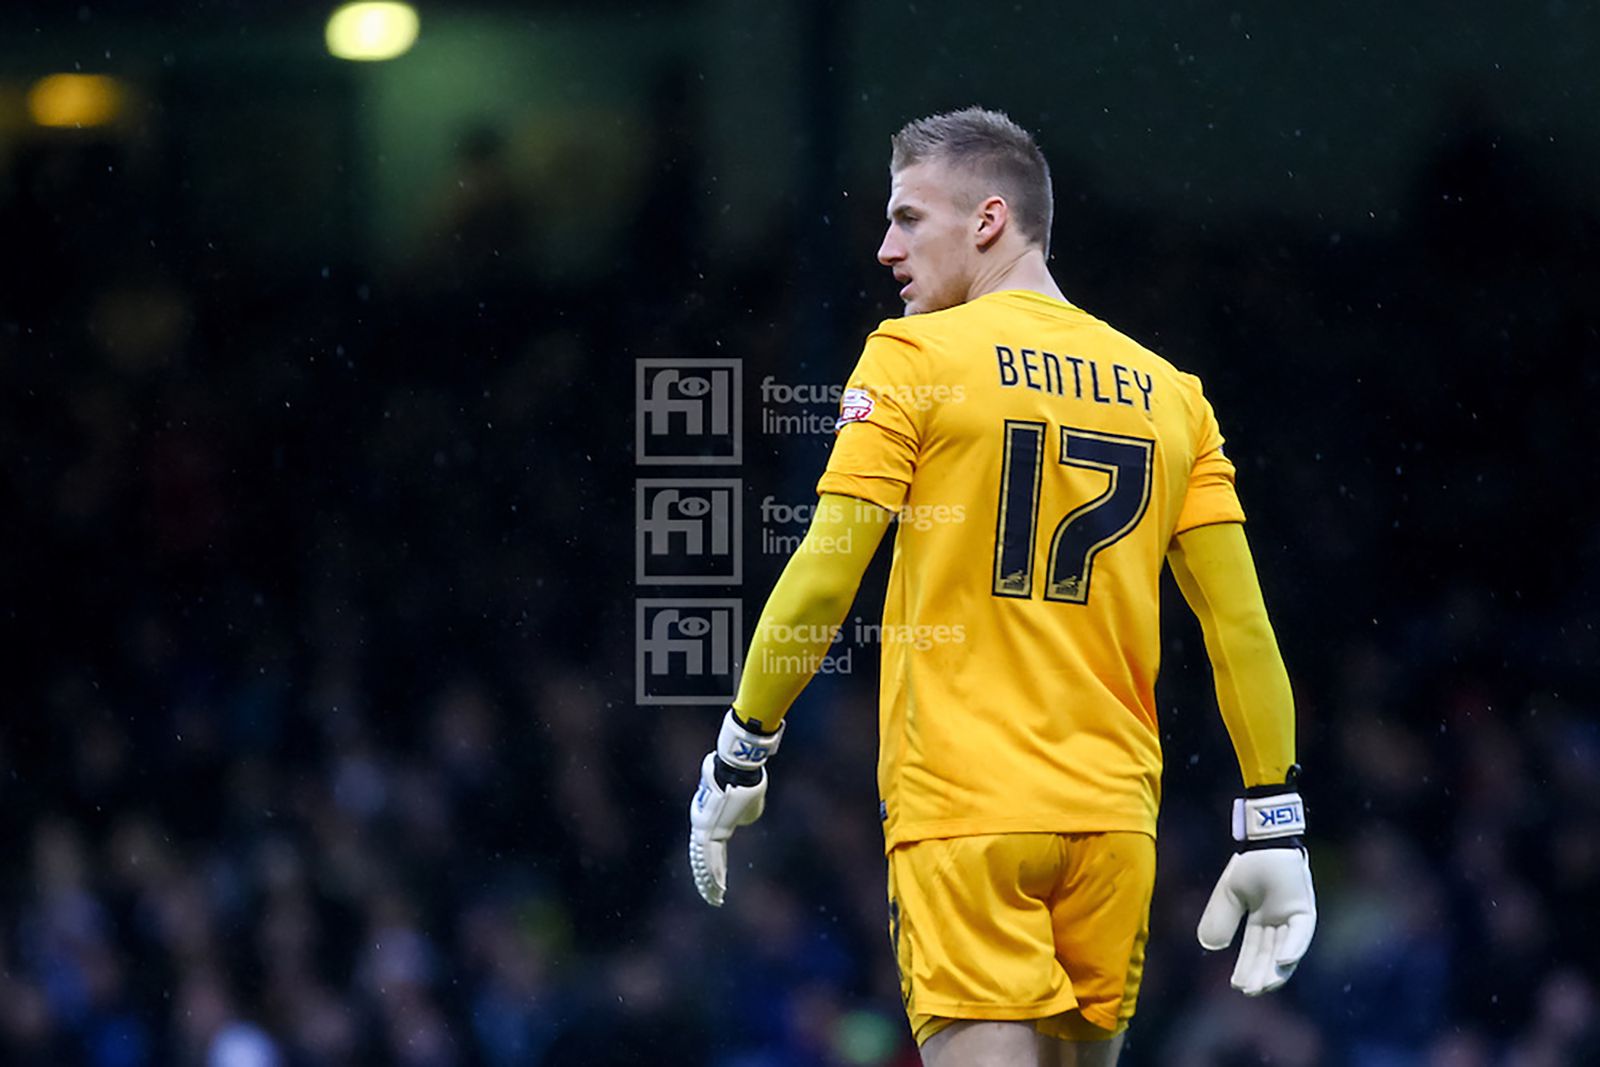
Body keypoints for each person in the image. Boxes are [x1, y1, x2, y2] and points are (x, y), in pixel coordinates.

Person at [687, 107, 1315, 1067]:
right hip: (1112, 825)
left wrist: (744, 741)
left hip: (966, 813)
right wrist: (1275, 814)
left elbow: (825, 575)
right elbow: (1240, 627)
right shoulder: (1172, 393)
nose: (886, 249)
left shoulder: (915, 358)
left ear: (988, 221)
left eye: (907, 219)